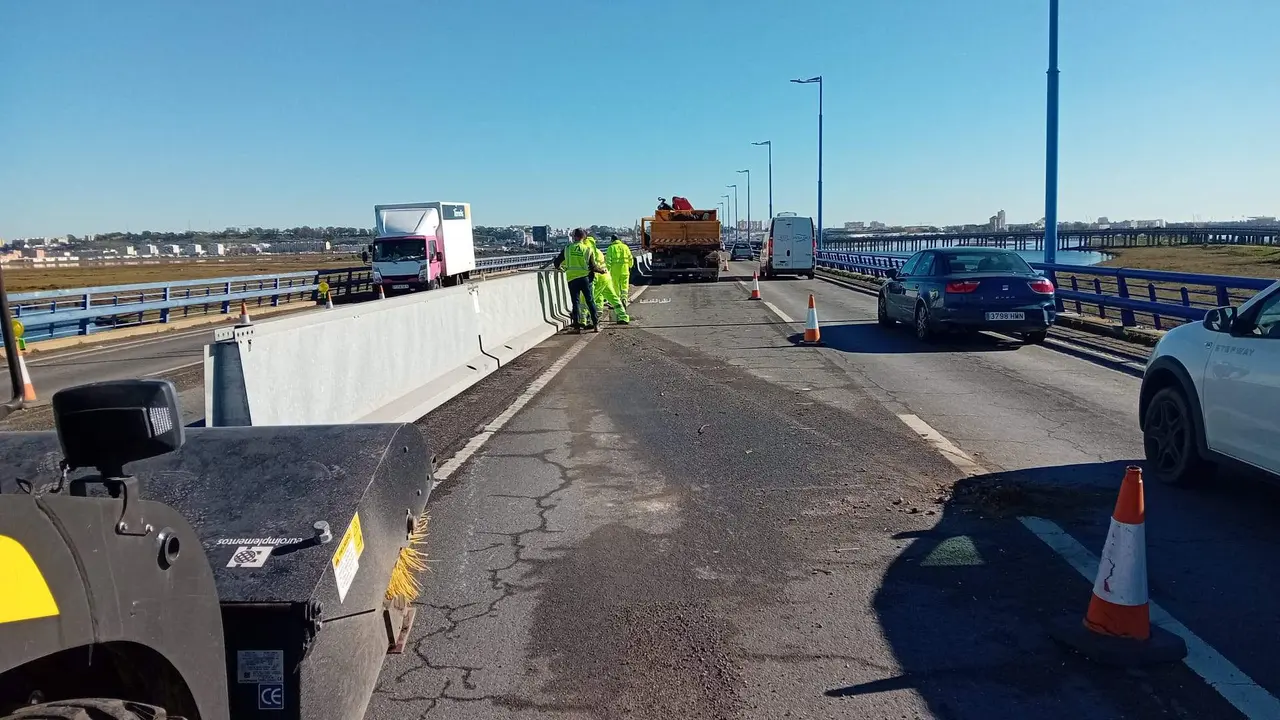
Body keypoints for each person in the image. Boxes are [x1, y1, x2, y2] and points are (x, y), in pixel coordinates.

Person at [554, 228, 604, 332]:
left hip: (572, 279)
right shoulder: (587, 249)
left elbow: (557, 262)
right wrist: (601, 271)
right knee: (590, 301)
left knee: (575, 302)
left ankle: (576, 327)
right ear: (584, 237)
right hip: (585, 278)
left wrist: (560, 268)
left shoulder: (567, 248)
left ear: (573, 237)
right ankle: (596, 325)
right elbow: (593, 267)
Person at [605, 235, 634, 305]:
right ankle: (624, 298)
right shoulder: (625, 247)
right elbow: (630, 258)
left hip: (615, 272)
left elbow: (608, 261)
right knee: (624, 285)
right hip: (625, 270)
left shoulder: (611, 248)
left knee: (616, 286)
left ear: (612, 240)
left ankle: (617, 302)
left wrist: (607, 271)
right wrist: (630, 265)